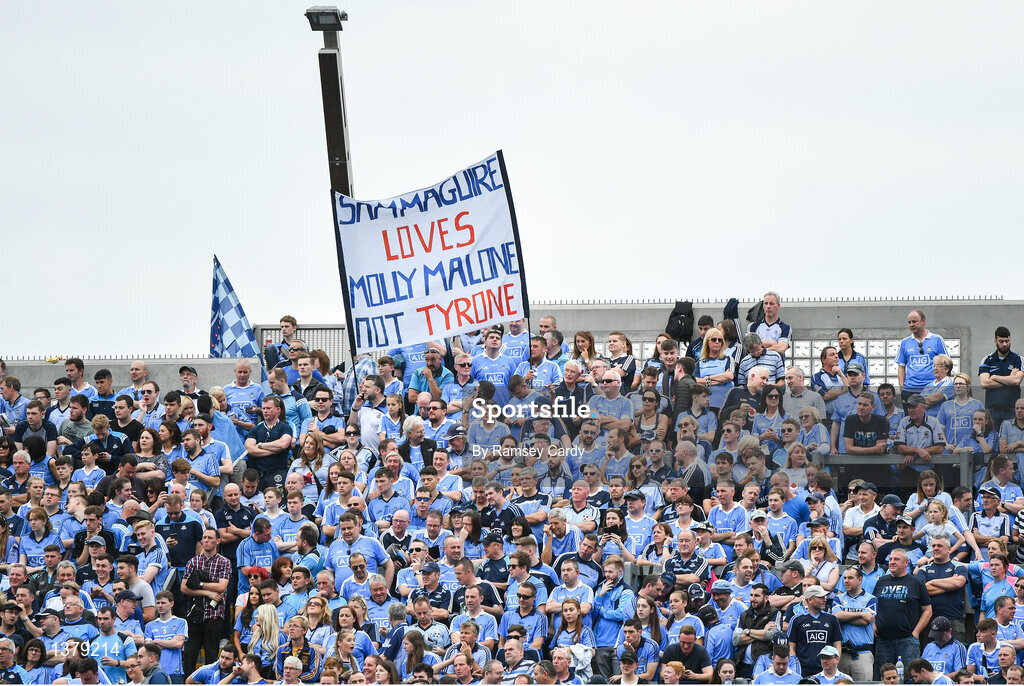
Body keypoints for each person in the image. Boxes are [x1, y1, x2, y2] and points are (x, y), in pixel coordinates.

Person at [873, 548, 933, 677]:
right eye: (890, 559)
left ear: (906, 562)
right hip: (883, 640)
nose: (892, 562)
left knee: (910, 678)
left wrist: (916, 632)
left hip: (908, 640)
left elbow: (927, 610)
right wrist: (874, 624)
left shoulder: (916, 583)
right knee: (884, 679)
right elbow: (873, 606)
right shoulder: (881, 581)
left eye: (896, 559)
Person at [897, 310, 950, 408]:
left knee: (931, 416)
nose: (911, 325)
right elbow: (901, 366)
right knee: (911, 416)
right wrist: (902, 387)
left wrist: (942, 384)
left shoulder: (937, 339)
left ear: (923, 321)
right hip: (910, 390)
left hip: (932, 389)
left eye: (914, 321)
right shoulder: (905, 342)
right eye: (909, 322)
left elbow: (946, 364)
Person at [979, 327, 1024, 429]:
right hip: (992, 410)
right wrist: (1009, 378)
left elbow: (1016, 381)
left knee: (1012, 438)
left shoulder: (1018, 359)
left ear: (1010, 340)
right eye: (1001, 341)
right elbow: (984, 383)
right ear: (995, 341)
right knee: (993, 438)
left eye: (1007, 341)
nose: (1005, 344)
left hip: (1012, 410)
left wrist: (994, 377)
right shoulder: (987, 360)